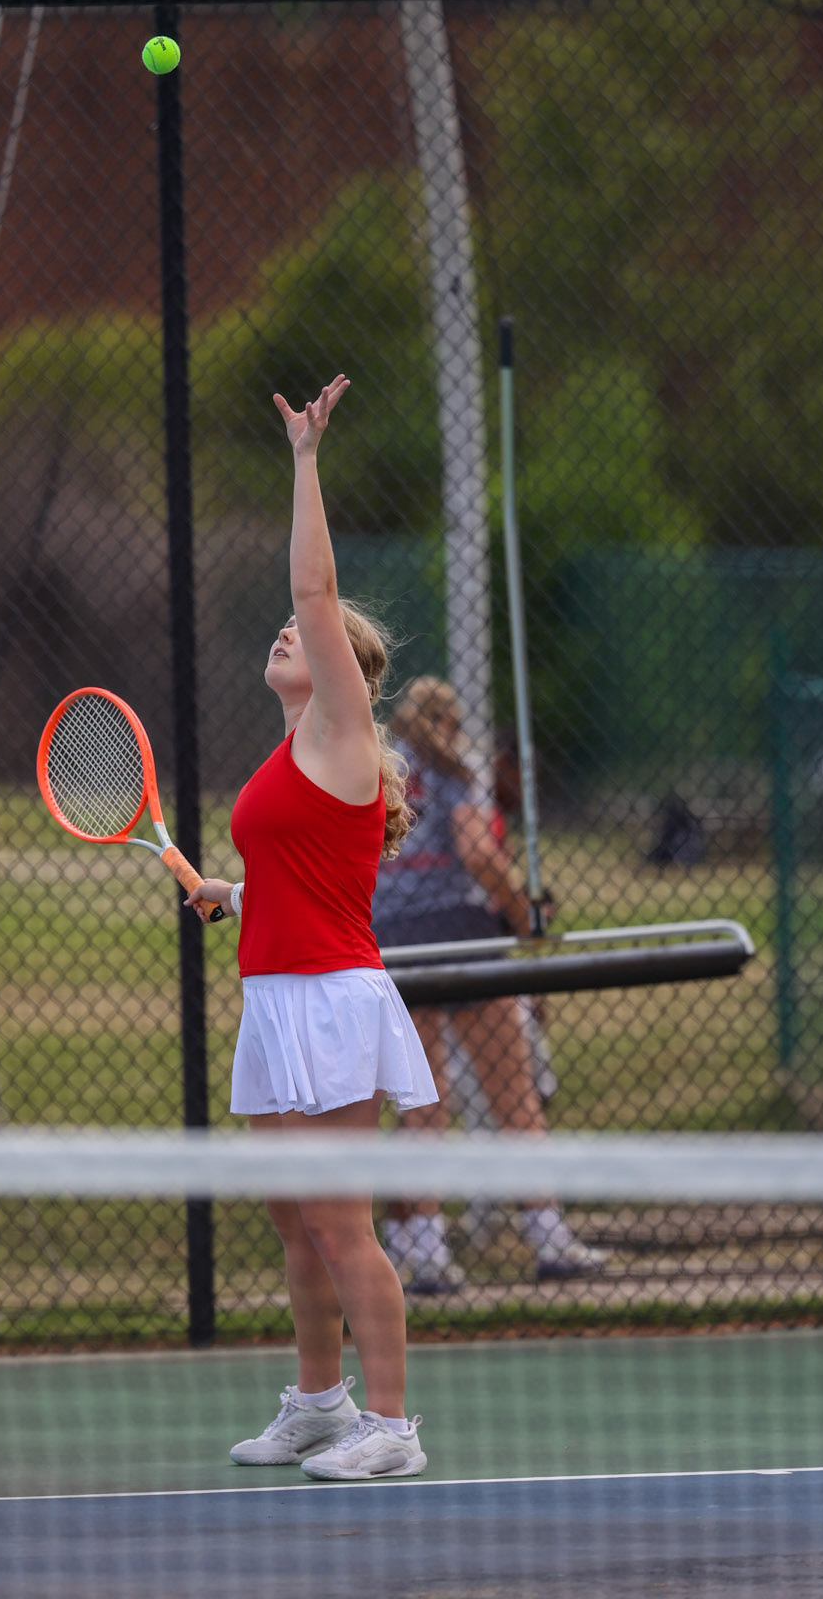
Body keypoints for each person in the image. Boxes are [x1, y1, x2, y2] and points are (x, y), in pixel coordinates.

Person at [185, 375, 435, 1482]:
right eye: (287, 630)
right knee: (294, 1221)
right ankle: (319, 1401)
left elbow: (315, 582)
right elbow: (300, 883)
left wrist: (302, 457)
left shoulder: (341, 727)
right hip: (273, 988)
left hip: (332, 999)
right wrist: (228, 896)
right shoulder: (287, 759)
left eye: (310, 630)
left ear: (345, 673)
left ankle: (394, 1425)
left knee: (342, 1222)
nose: (291, 627)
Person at [371, 675, 606, 1292]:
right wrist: (524, 913)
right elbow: (477, 853)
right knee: (513, 1090)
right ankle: (549, 1237)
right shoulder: (462, 768)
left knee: (426, 1099)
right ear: (452, 723)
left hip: (391, 938)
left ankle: (423, 1251)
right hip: (464, 933)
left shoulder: (380, 771)